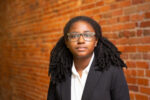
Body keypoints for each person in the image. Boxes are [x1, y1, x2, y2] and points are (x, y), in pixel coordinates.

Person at [47, 16, 130, 100]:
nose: (81, 41)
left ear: (96, 41)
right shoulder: (59, 72)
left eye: (87, 35)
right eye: (74, 36)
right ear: (67, 42)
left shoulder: (113, 71)